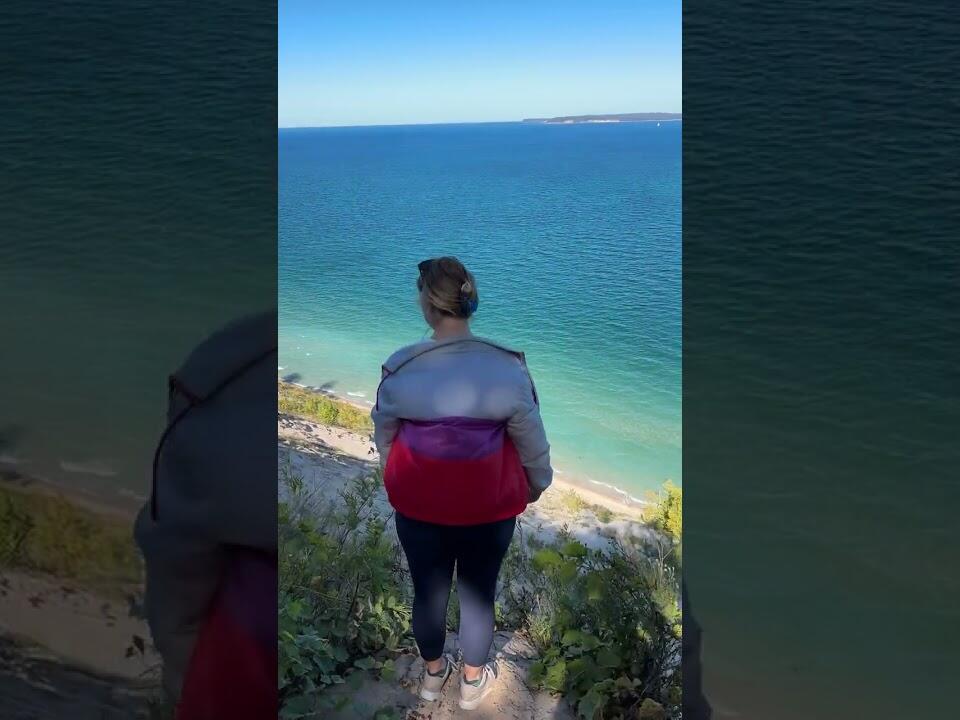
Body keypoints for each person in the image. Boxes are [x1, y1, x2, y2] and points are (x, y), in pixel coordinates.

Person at [371, 257, 552, 711]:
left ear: (427, 305)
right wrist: (537, 486)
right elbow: (532, 444)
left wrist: (396, 482)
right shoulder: (508, 367)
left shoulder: (401, 368)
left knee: (427, 593)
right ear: (468, 302)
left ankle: (433, 678)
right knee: (479, 593)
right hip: (487, 509)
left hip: (418, 507)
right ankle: (472, 685)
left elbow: (386, 439)